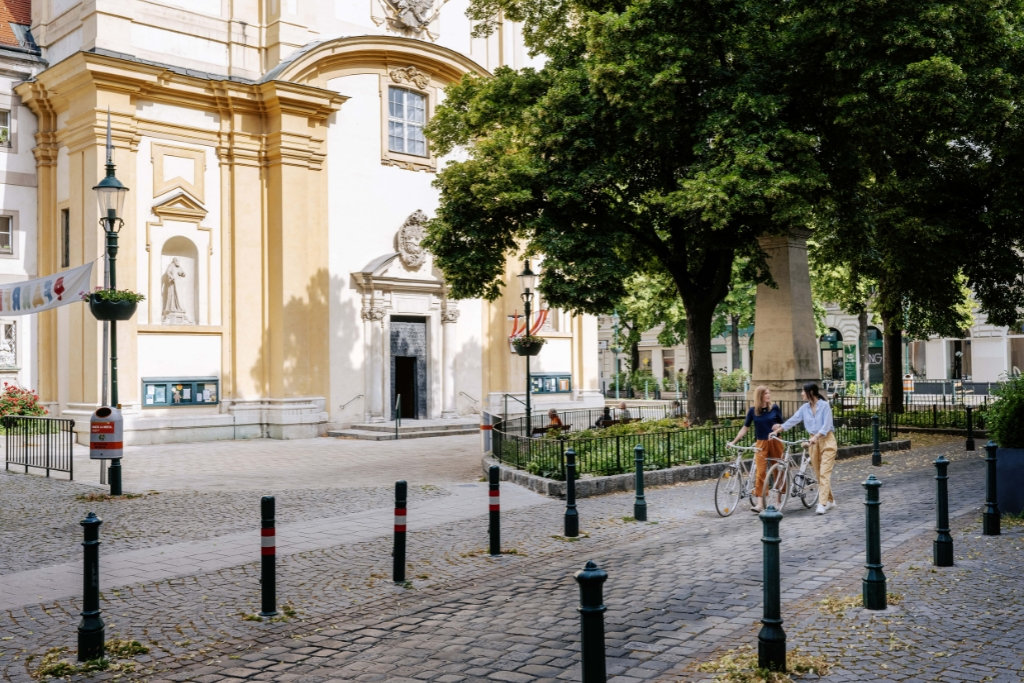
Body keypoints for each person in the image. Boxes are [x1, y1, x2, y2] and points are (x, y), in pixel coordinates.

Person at [772, 382, 837, 515]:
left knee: (824, 473)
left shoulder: (824, 406)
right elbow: (793, 420)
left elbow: (826, 426)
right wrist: (778, 430)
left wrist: (816, 437)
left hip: (827, 441)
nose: (801, 393)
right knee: (819, 475)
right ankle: (830, 500)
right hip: (813, 443)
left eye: (803, 391)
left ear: (811, 393)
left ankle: (822, 503)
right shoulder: (804, 408)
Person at [729, 386, 783, 512]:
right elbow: (745, 428)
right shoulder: (753, 411)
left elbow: (783, 424)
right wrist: (734, 441)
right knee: (760, 472)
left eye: (769, 393)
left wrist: (778, 426)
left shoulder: (774, 408)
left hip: (775, 441)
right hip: (761, 444)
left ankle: (778, 500)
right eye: (766, 394)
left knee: (778, 470)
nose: (769, 395)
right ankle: (760, 503)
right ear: (760, 396)